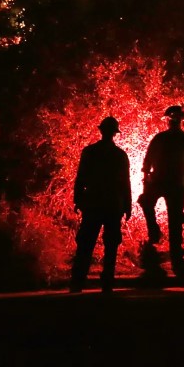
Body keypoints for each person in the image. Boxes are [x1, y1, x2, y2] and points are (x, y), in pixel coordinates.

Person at [70, 115, 132, 293]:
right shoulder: (120, 155)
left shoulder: (89, 152)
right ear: (115, 133)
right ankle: (107, 282)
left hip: (94, 204)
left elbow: (81, 177)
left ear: (102, 131)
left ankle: (78, 281)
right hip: (113, 205)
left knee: (86, 243)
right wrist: (127, 206)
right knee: (111, 245)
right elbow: (125, 183)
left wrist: (78, 199)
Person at [138, 104, 184, 276]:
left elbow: (147, 163)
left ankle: (154, 238)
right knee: (175, 223)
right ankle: (176, 262)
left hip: (160, 182)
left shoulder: (160, 138)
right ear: (180, 121)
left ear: (168, 121)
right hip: (176, 184)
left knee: (147, 203)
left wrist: (148, 179)